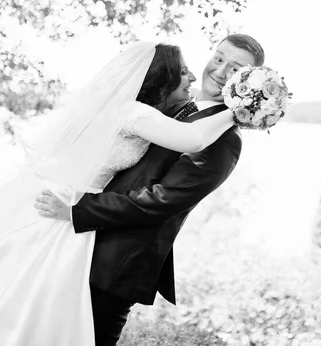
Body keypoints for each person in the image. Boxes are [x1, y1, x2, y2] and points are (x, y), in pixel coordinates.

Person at [0, 42, 237, 346]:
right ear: (161, 81)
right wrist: (241, 109)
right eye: (182, 72)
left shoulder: (127, 109)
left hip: (61, 208)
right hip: (64, 213)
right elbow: (192, 140)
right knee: (32, 309)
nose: (193, 75)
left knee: (14, 301)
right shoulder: (138, 114)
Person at [35, 34, 265, 345]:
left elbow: (161, 202)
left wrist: (79, 210)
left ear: (248, 84)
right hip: (81, 242)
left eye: (236, 69)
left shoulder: (224, 140)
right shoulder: (175, 103)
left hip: (118, 260)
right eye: (219, 57)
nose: (220, 70)